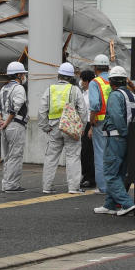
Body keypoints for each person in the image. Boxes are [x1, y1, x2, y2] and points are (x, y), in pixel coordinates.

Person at [94, 66, 135, 216]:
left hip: (116, 137)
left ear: (111, 81)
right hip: (128, 139)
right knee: (119, 173)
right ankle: (110, 205)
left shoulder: (114, 95)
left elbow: (117, 116)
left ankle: (127, 203)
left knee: (110, 173)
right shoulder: (132, 96)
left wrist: (123, 133)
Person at [38, 62, 88, 194]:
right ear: (71, 77)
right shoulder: (75, 90)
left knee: (51, 157)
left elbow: (42, 110)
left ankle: (47, 187)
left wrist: (45, 126)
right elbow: (83, 111)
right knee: (73, 156)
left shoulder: (50, 89)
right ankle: (73, 187)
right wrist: (81, 127)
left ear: (59, 75)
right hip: (70, 127)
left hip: (54, 127)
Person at [0, 61, 29, 193]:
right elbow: (15, 108)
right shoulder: (19, 88)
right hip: (15, 125)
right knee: (15, 155)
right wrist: (6, 122)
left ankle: (6, 183)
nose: (24, 76)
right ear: (18, 75)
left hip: (5, 126)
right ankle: (12, 185)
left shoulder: (3, 89)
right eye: (23, 74)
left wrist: (1, 121)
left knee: (7, 156)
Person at [88, 54, 112, 193]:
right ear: (108, 67)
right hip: (115, 121)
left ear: (95, 67)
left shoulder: (95, 82)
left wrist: (92, 119)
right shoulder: (114, 80)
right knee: (113, 154)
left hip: (100, 122)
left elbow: (95, 104)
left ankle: (103, 187)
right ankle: (114, 185)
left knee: (100, 154)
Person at [78, 69, 97, 189]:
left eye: (82, 80)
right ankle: (87, 176)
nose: (81, 82)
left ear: (87, 81)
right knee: (85, 152)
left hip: (91, 123)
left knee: (88, 153)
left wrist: (91, 128)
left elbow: (93, 110)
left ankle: (90, 178)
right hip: (85, 124)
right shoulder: (84, 93)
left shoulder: (91, 93)